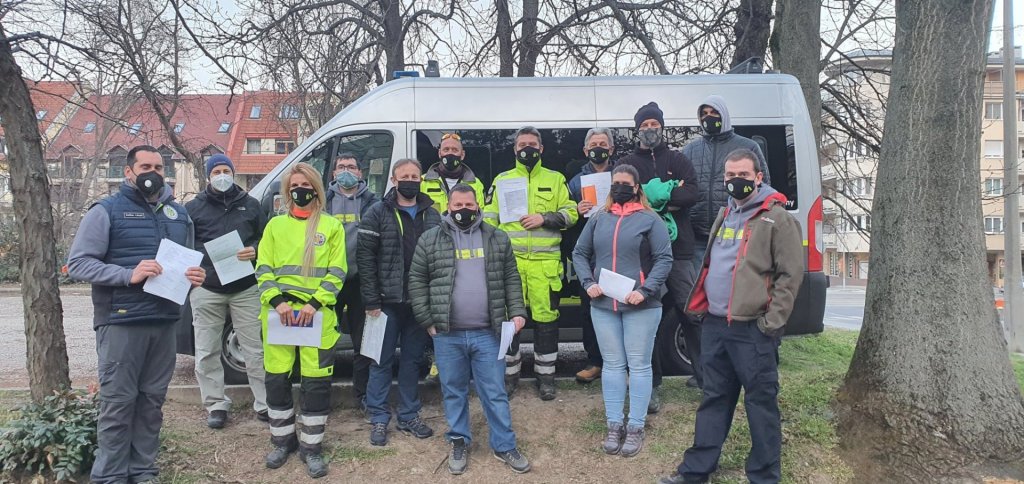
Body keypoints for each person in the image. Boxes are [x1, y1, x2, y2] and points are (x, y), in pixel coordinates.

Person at [658, 149, 803, 484]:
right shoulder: (725, 214)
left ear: (758, 178)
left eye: (743, 176)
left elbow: (789, 277)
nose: (735, 181)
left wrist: (771, 323)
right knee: (714, 400)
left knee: (760, 405)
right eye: (730, 176)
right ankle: (696, 472)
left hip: (753, 331)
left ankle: (764, 477)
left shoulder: (777, 219)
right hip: (715, 326)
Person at [67, 145, 205, 484]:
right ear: (129, 171)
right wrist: (129, 273)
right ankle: (110, 477)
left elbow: (186, 261)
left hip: (164, 322)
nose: (153, 172)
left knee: (151, 405)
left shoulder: (178, 214)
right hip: (121, 321)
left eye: (159, 167)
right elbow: (79, 263)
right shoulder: (106, 210)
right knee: (118, 405)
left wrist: (195, 279)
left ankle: (144, 473)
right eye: (145, 165)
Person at [408, 184, 532, 475]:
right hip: (447, 333)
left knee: (495, 391)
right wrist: (427, 319)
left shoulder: (497, 237)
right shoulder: (430, 239)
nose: (463, 210)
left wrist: (517, 312)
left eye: (468, 205)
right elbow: (417, 280)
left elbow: (511, 278)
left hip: (488, 333)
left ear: (477, 206)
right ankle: (459, 441)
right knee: (453, 391)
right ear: (448, 207)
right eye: (457, 205)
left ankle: (504, 445)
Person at [572, 164, 674, 458]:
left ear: (636, 188)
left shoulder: (649, 219)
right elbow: (580, 253)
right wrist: (588, 281)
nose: (619, 188)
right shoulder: (598, 218)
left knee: (639, 366)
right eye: (615, 183)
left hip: (641, 305)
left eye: (625, 184)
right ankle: (614, 424)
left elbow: (664, 259)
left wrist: (645, 290)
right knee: (613, 365)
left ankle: (636, 426)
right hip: (604, 304)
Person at [256, 162, 346, 479]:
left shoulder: (331, 226)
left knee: (316, 383)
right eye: (295, 185)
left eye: (306, 184)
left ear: (316, 188)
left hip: (317, 317)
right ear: (287, 189)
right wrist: (278, 302)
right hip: (279, 315)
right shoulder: (275, 227)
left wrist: (313, 303)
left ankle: (312, 447)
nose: (300, 190)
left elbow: (337, 272)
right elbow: (263, 269)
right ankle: (282, 441)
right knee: (277, 382)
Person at [483, 126, 578, 400]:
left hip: (544, 267)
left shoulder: (556, 179)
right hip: (510, 266)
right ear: (515, 149)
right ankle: (510, 376)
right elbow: (489, 220)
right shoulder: (502, 180)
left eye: (533, 144)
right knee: (509, 323)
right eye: (522, 144)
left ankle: (546, 377)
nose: (527, 148)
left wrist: (544, 218)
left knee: (546, 322)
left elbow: (571, 214)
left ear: (541, 149)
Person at [617, 102, 699, 410]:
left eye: (655, 124)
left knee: (691, 313)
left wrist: (652, 198)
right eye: (645, 124)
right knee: (645, 317)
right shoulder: (626, 161)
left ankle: (704, 375)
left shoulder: (678, 159)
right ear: (637, 128)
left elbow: (691, 193)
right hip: (643, 253)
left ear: (661, 127)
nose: (650, 129)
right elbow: (628, 197)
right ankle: (651, 385)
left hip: (680, 250)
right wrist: (667, 192)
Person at [358, 158, 441, 446]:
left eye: (414, 175)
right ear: (394, 180)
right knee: (379, 361)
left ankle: (409, 416)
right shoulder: (376, 212)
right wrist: (370, 300)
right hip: (384, 303)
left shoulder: (433, 214)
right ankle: (379, 418)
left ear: (421, 179)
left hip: (418, 304)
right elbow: (365, 261)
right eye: (404, 175)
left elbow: (441, 260)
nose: (410, 180)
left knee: (411, 362)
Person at [185, 154, 268, 430]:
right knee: (206, 350)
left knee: (255, 349)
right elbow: (185, 245)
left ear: (233, 173)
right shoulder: (193, 208)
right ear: (208, 176)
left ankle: (264, 403)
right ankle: (216, 404)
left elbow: (264, 238)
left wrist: (255, 249)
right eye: (217, 171)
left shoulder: (251, 205)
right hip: (207, 288)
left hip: (245, 288)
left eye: (226, 170)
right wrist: (201, 265)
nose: (222, 175)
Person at [683, 95, 771, 269]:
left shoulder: (748, 146)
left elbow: (764, 185)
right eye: (704, 113)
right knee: (698, 290)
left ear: (723, 114)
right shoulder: (690, 149)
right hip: (697, 237)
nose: (708, 117)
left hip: (733, 233)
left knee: (728, 284)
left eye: (714, 112)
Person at [325, 152, 379, 411]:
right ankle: (320, 395)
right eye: (341, 167)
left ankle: (362, 398)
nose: (346, 171)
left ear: (360, 172)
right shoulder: (323, 200)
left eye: (351, 167)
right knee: (323, 341)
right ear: (334, 173)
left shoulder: (373, 202)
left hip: (360, 281)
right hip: (329, 281)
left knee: (363, 343)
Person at [566, 127, 617, 383]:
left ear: (611, 149)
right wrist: (576, 209)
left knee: (621, 307)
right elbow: (566, 218)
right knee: (590, 309)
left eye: (603, 143)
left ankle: (620, 364)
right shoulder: (575, 182)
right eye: (594, 144)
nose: (599, 148)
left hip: (618, 251)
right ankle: (595, 361)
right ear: (586, 150)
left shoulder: (622, 176)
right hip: (589, 255)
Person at [421, 133, 485, 208]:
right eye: (446, 149)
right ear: (439, 153)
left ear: (462, 155)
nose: (450, 153)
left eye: (455, 150)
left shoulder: (476, 184)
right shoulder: (423, 182)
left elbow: (480, 215)